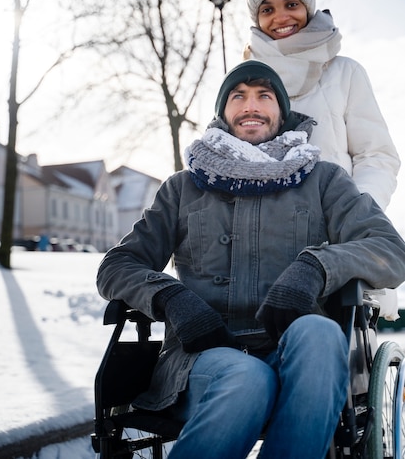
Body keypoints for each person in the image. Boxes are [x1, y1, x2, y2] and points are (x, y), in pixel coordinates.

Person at [96, 60, 405, 459]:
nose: (251, 106)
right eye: (238, 96)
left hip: (296, 353)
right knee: (249, 378)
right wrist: (172, 298)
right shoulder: (182, 188)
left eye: (264, 95)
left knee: (322, 332)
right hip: (200, 361)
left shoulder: (323, 180)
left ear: (282, 111)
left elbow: (390, 250)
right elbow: (117, 266)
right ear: (223, 112)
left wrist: (317, 267)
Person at [243, 0, 400, 211]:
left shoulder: (345, 73)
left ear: (307, 7)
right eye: (267, 9)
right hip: (265, 236)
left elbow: (376, 156)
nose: (281, 17)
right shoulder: (244, 82)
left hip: (334, 232)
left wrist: (356, 211)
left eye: (291, 4)